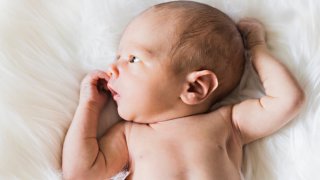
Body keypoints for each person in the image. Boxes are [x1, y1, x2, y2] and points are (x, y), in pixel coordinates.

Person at [62, 1, 305, 179]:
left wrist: (257, 48)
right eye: (118, 57)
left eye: (133, 59)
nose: (112, 68)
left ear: (195, 87)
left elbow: (287, 100)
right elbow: (81, 173)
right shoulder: (128, 135)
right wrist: (89, 106)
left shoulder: (229, 124)